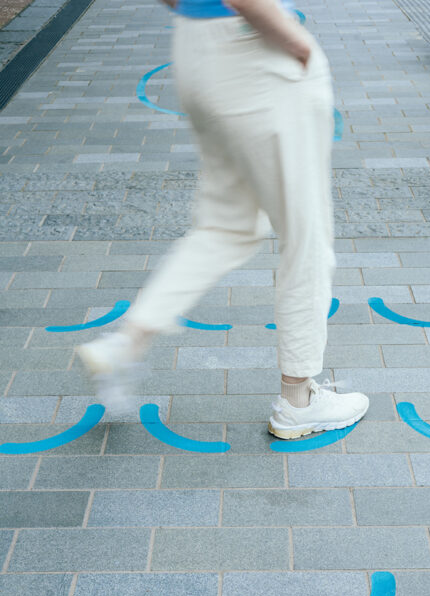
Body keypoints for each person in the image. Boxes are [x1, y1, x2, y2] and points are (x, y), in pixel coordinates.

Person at [75, 0, 369, 440]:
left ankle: (128, 341)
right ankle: (298, 400)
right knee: (305, 235)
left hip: (195, 44)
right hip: (254, 45)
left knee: (225, 226)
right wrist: (289, 37)